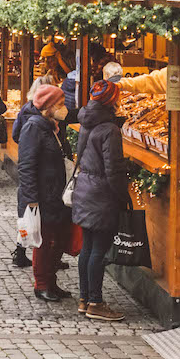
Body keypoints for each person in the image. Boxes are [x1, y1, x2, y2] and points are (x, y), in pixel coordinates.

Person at [71, 79, 129, 323]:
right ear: (111, 100)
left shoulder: (87, 120)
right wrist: (121, 196)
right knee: (98, 250)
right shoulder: (109, 129)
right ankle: (95, 302)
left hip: (85, 188)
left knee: (87, 247)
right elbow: (113, 168)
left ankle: (85, 300)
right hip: (101, 193)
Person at [15, 83, 74, 303]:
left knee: (58, 239)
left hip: (56, 195)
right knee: (44, 241)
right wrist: (31, 201)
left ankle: (51, 281)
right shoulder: (33, 127)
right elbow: (26, 166)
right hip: (42, 195)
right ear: (48, 107)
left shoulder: (53, 128)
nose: (64, 107)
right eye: (59, 104)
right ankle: (41, 284)